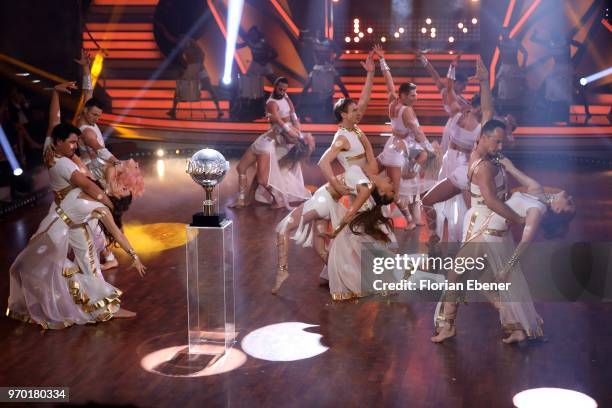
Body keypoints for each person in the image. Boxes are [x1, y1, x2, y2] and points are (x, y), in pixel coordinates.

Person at [7, 123, 146, 330]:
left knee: (88, 268)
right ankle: (51, 301)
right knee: (26, 266)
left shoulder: (102, 205)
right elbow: (96, 179)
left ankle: (106, 309)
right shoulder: (94, 186)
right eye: (125, 187)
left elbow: (117, 233)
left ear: (116, 198)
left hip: (73, 227)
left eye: (123, 189)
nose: (122, 185)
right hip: (56, 227)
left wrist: (134, 257)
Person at [431, 151, 575, 344]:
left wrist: (508, 268)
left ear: (557, 210)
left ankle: (448, 327)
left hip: (490, 238)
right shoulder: (537, 189)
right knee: (485, 283)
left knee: (455, 275)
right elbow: (511, 168)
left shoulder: (536, 211)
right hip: (484, 229)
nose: (570, 197)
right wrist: (496, 157)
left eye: (569, 204)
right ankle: (517, 328)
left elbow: (525, 243)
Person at [375, 45, 440, 229]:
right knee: (408, 178)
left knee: (407, 179)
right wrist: (429, 148)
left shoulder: (392, 100)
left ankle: (413, 217)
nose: (416, 97)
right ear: (403, 95)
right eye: (413, 94)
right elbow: (418, 133)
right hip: (404, 147)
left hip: (395, 144)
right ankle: (411, 219)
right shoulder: (407, 111)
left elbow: (388, 81)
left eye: (416, 93)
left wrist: (382, 60)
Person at [228, 77, 314, 209]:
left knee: (262, 179)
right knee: (241, 168)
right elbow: (290, 117)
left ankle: (278, 199)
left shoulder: (292, 127)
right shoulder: (277, 107)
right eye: (280, 88)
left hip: (267, 146)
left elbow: (288, 117)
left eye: (285, 89)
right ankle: (242, 200)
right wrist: (284, 118)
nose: (283, 91)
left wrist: (285, 122)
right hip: (262, 141)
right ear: (275, 86)